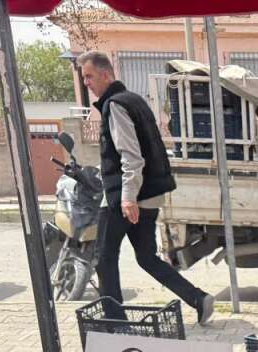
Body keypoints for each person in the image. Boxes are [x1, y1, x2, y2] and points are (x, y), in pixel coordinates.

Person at [77, 51, 215, 324]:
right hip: (150, 195)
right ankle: (199, 299)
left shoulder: (115, 105)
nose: (86, 83)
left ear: (106, 74)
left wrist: (127, 197)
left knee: (104, 258)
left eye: (89, 76)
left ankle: (114, 323)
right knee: (146, 258)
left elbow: (131, 156)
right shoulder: (135, 100)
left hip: (127, 196)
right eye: (84, 78)